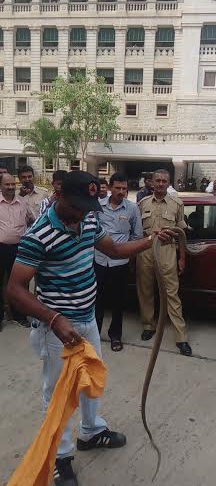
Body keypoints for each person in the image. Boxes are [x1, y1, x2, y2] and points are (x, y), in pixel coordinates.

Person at [7, 171, 174, 486]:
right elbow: (14, 289)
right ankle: (60, 456)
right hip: (58, 329)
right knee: (57, 394)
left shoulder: (88, 220)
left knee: (92, 379)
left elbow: (112, 249)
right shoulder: (38, 235)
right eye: (77, 206)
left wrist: (150, 240)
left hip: (86, 319)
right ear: (59, 195)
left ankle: (91, 431)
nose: (83, 213)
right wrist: (54, 319)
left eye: (88, 205)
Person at [136, 169, 192, 357]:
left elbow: (182, 234)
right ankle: (148, 325)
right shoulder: (142, 203)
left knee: (172, 294)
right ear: (151, 182)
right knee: (146, 290)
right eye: (157, 180)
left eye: (164, 181)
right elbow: (137, 233)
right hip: (145, 251)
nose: (160, 184)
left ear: (169, 183)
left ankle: (181, 337)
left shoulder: (177, 204)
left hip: (168, 251)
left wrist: (182, 257)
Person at [95, 172, 143, 351]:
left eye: (124, 188)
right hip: (98, 260)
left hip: (120, 264)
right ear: (109, 188)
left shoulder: (132, 209)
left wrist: (129, 257)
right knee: (97, 300)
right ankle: (95, 334)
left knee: (118, 301)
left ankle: (115, 336)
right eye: (117, 188)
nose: (121, 191)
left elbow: (137, 236)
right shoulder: (97, 206)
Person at [0, 173, 34, 331]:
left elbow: (32, 220)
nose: (11, 187)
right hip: (1, 248)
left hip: (20, 249)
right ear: (1, 185)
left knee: (20, 284)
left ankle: (20, 316)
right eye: (7, 184)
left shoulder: (22, 202)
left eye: (13, 184)